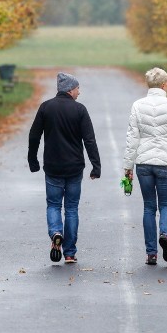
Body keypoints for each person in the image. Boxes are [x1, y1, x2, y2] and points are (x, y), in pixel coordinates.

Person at [28, 72, 101, 264]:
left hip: (52, 167)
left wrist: (32, 160)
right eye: (77, 88)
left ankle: (56, 233)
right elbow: (89, 140)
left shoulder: (46, 108)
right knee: (71, 208)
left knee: (53, 204)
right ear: (70, 89)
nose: (79, 92)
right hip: (74, 168)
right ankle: (69, 252)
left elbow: (34, 135)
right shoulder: (80, 110)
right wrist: (96, 166)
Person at [122, 67, 167, 265]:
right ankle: (165, 235)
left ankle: (151, 252)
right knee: (166, 204)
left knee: (149, 207)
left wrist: (128, 166)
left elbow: (132, 138)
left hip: (143, 163)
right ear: (163, 84)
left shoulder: (137, 105)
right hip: (166, 163)